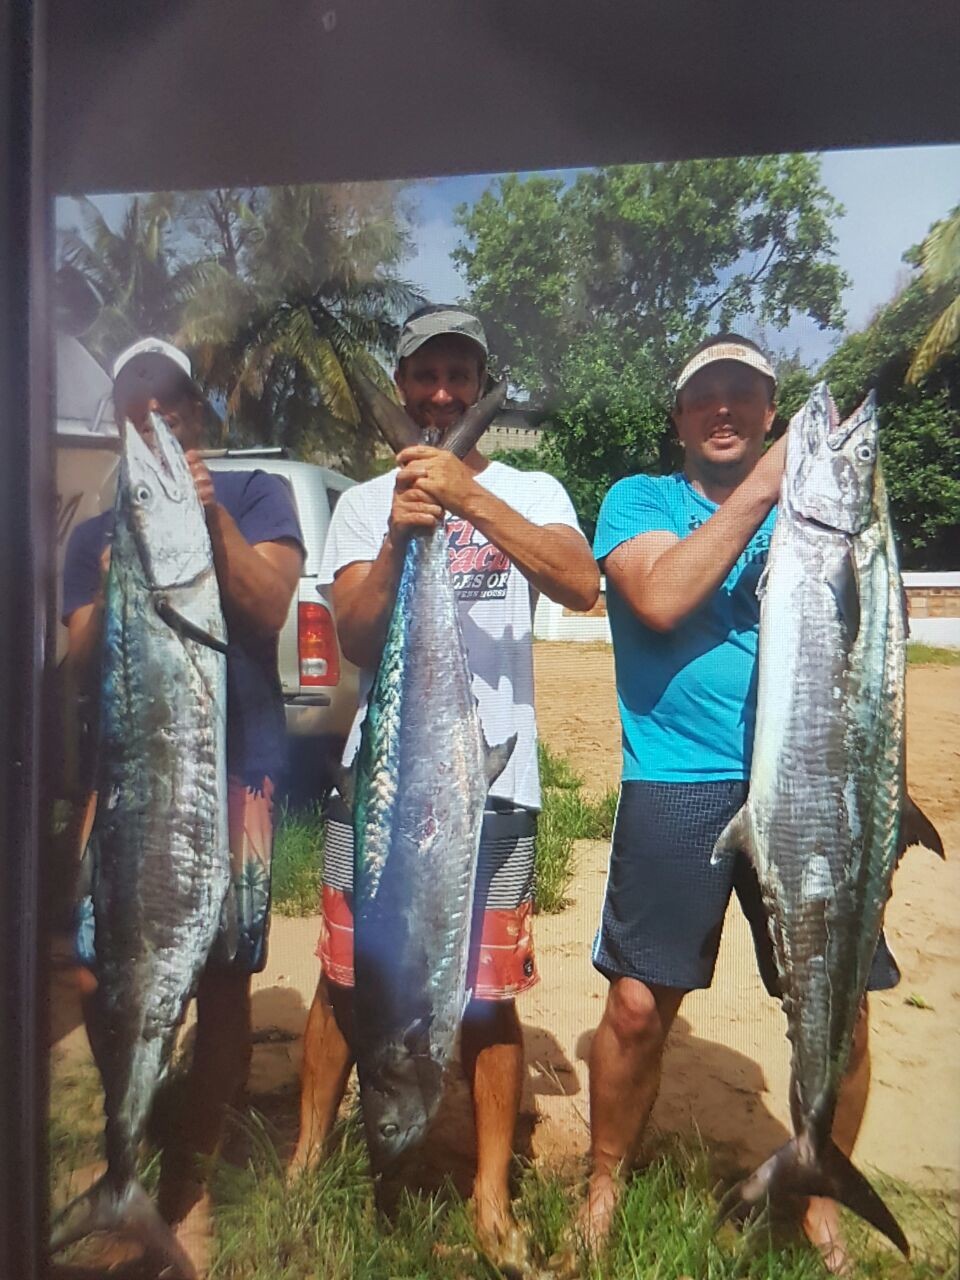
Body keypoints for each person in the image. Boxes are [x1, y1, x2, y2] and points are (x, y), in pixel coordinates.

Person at [290, 304, 599, 1268]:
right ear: (401, 386)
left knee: (489, 991)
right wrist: (398, 534)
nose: (440, 393)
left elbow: (581, 583)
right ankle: (307, 1161)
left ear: (477, 385)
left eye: (459, 376)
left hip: (492, 788)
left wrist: (468, 498)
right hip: (383, 791)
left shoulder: (531, 488)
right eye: (424, 376)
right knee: (343, 977)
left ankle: (489, 1191)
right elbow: (355, 636)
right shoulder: (360, 503)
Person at [583, 334, 900, 1274]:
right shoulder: (639, 501)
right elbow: (660, 598)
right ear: (679, 417)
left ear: (770, 412)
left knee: (842, 1007)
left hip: (814, 790)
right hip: (678, 778)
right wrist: (770, 483)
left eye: (744, 395)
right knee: (636, 1007)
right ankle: (603, 1182)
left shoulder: (823, 519)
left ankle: (817, 1183)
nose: (723, 410)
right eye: (705, 396)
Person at [61, 337, 305, 1263]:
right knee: (96, 969)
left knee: (225, 979)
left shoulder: (255, 495)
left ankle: (189, 1180)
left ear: (198, 413)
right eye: (138, 405)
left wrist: (209, 521)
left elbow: (270, 605)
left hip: (234, 776)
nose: (156, 416)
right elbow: (80, 658)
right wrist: (119, 573)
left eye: (171, 401)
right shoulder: (93, 532)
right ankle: (125, 1146)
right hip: (126, 779)